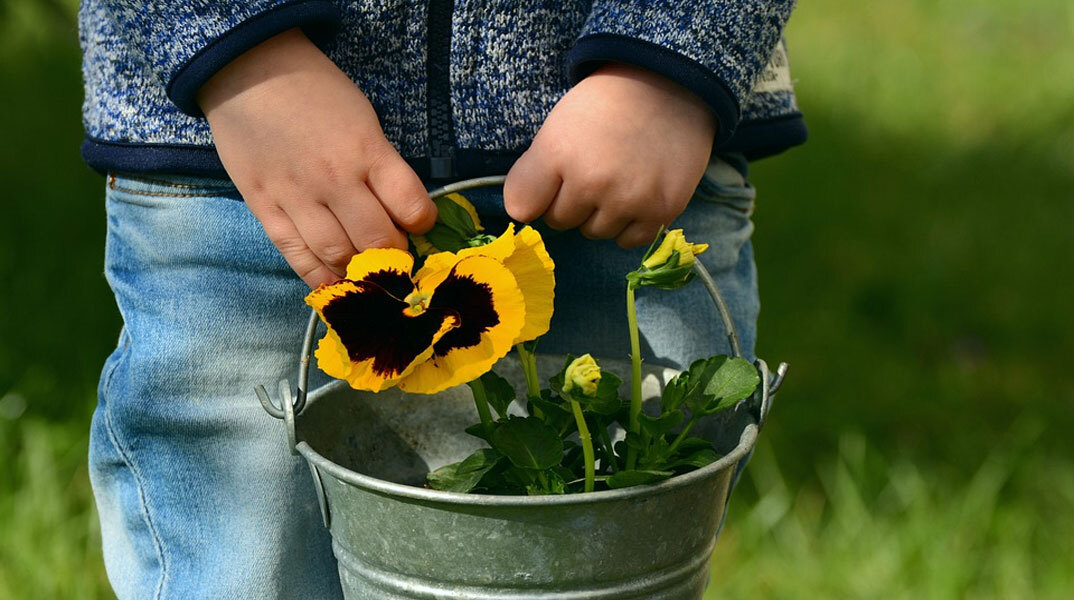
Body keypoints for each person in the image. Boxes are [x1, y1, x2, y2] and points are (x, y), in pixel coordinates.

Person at [79, 2, 805, 597]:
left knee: (621, 556)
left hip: (632, 148)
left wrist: (674, 55)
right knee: (243, 568)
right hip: (250, 151)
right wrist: (239, 53)